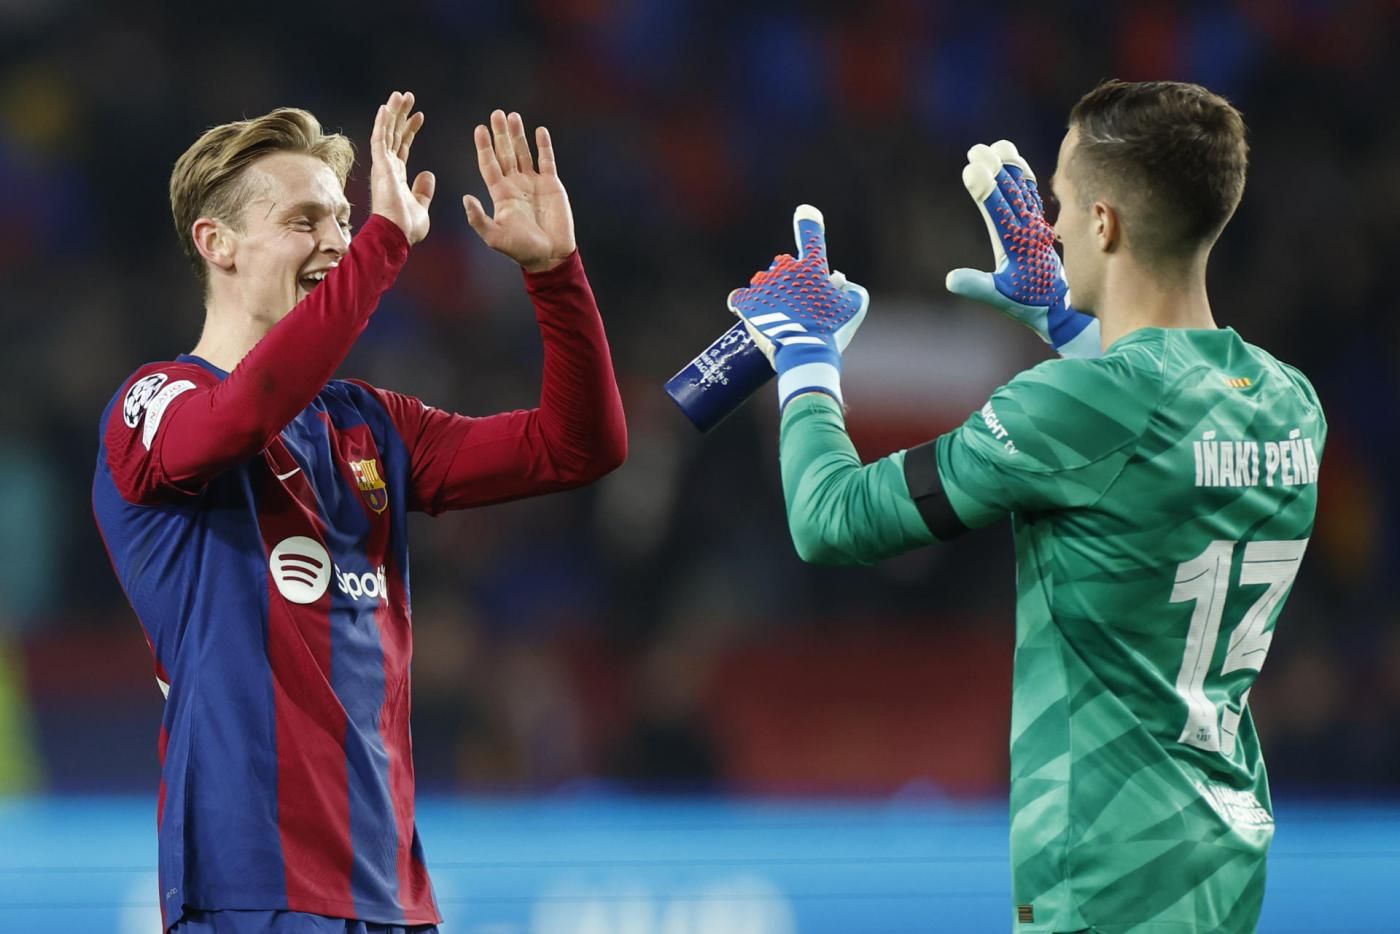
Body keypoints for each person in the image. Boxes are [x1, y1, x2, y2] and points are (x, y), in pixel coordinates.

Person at [727, 80, 1323, 933]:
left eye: (1061, 202)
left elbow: (830, 519)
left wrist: (807, 360)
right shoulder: (1289, 401)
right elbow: (1165, 436)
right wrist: (1072, 321)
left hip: (1105, 877)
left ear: (1106, 224)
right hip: (1224, 866)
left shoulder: (1068, 410)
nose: (1049, 225)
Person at [92, 90, 626, 933]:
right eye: (306, 221)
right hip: (249, 886)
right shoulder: (154, 402)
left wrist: (554, 275)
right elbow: (238, 418)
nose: (338, 240)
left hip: (392, 893)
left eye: (344, 219)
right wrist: (383, 245)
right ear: (216, 243)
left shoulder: (370, 425)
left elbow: (577, 447)